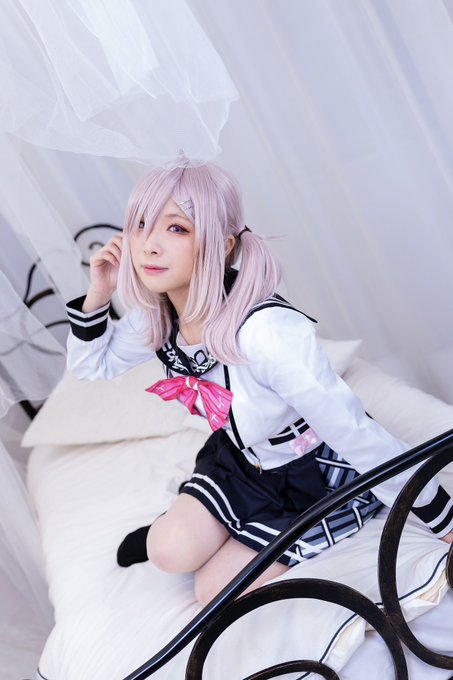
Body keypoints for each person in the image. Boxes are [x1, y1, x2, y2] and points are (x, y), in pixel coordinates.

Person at [66, 160, 453, 606]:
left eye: (176, 228)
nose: (149, 245)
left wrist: (444, 522)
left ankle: (309, 520)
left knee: (212, 591)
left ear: (221, 244)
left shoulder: (266, 332)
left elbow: (351, 429)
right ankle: (189, 527)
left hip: (309, 474)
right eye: (140, 225)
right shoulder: (158, 316)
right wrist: (99, 293)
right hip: (239, 462)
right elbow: (91, 367)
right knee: (167, 552)